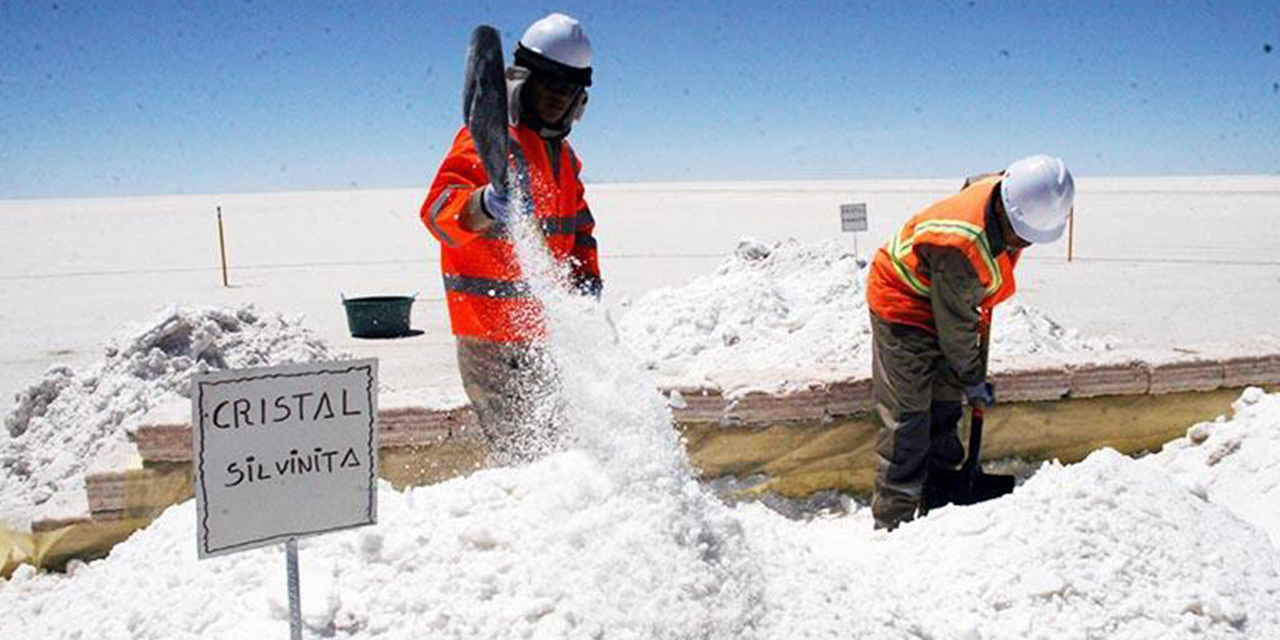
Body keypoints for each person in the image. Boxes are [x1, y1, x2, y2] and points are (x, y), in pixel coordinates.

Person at [420, 13, 600, 462]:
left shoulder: (564, 157)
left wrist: (587, 282)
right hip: (490, 338)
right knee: (521, 456)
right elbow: (438, 213)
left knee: (556, 447)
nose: (559, 97)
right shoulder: (489, 142)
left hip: (546, 334)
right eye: (550, 83)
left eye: (569, 88)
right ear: (521, 81)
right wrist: (481, 205)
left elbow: (579, 229)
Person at [864, 155, 1075, 530]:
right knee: (909, 416)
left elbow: (971, 184)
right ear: (1005, 207)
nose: (1024, 244)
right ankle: (892, 520)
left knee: (946, 402)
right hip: (902, 298)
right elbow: (956, 330)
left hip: (945, 291)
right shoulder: (962, 247)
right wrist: (973, 376)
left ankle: (939, 491)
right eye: (1021, 234)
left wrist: (964, 379)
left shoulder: (1007, 188)